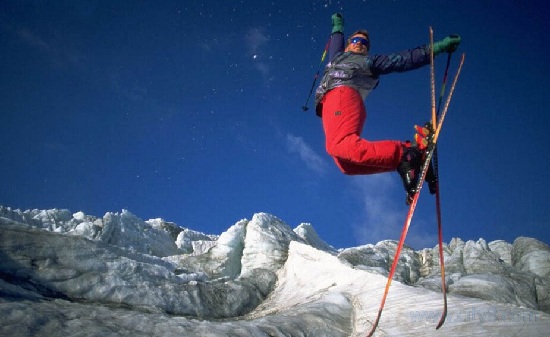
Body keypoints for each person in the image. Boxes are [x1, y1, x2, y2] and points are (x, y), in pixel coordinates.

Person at [314, 13, 460, 202]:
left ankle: (404, 154)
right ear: (349, 43)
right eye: (356, 40)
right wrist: (338, 26)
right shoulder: (337, 57)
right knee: (346, 165)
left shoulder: (368, 62)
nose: (360, 44)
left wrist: (436, 49)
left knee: (339, 145)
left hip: (344, 95)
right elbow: (336, 40)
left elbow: (403, 59)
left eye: (364, 43)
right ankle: (410, 160)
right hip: (329, 106)